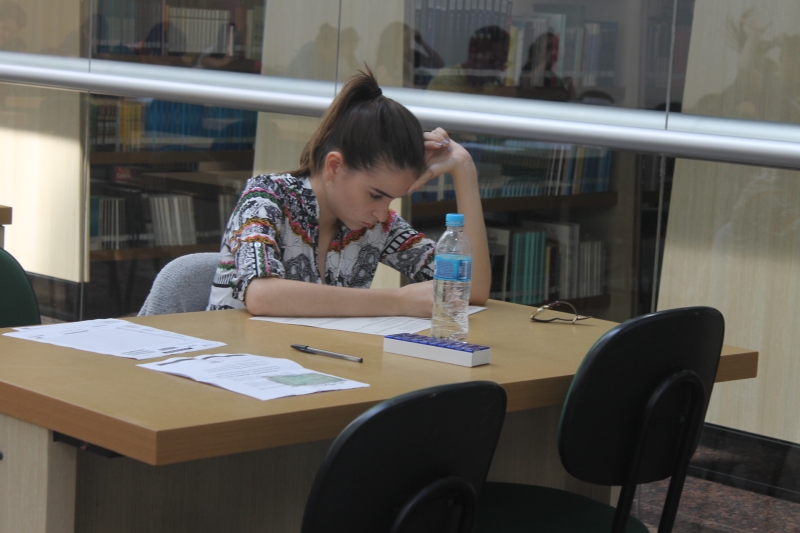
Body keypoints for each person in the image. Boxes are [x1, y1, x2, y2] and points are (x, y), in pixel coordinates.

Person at [208, 69, 490, 317]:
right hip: (233, 355)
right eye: (375, 195)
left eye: (391, 200)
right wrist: (398, 301)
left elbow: (469, 288)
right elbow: (261, 295)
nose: (383, 213)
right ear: (334, 167)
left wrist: (463, 169)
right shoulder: (265, 198)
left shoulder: (376, 224)